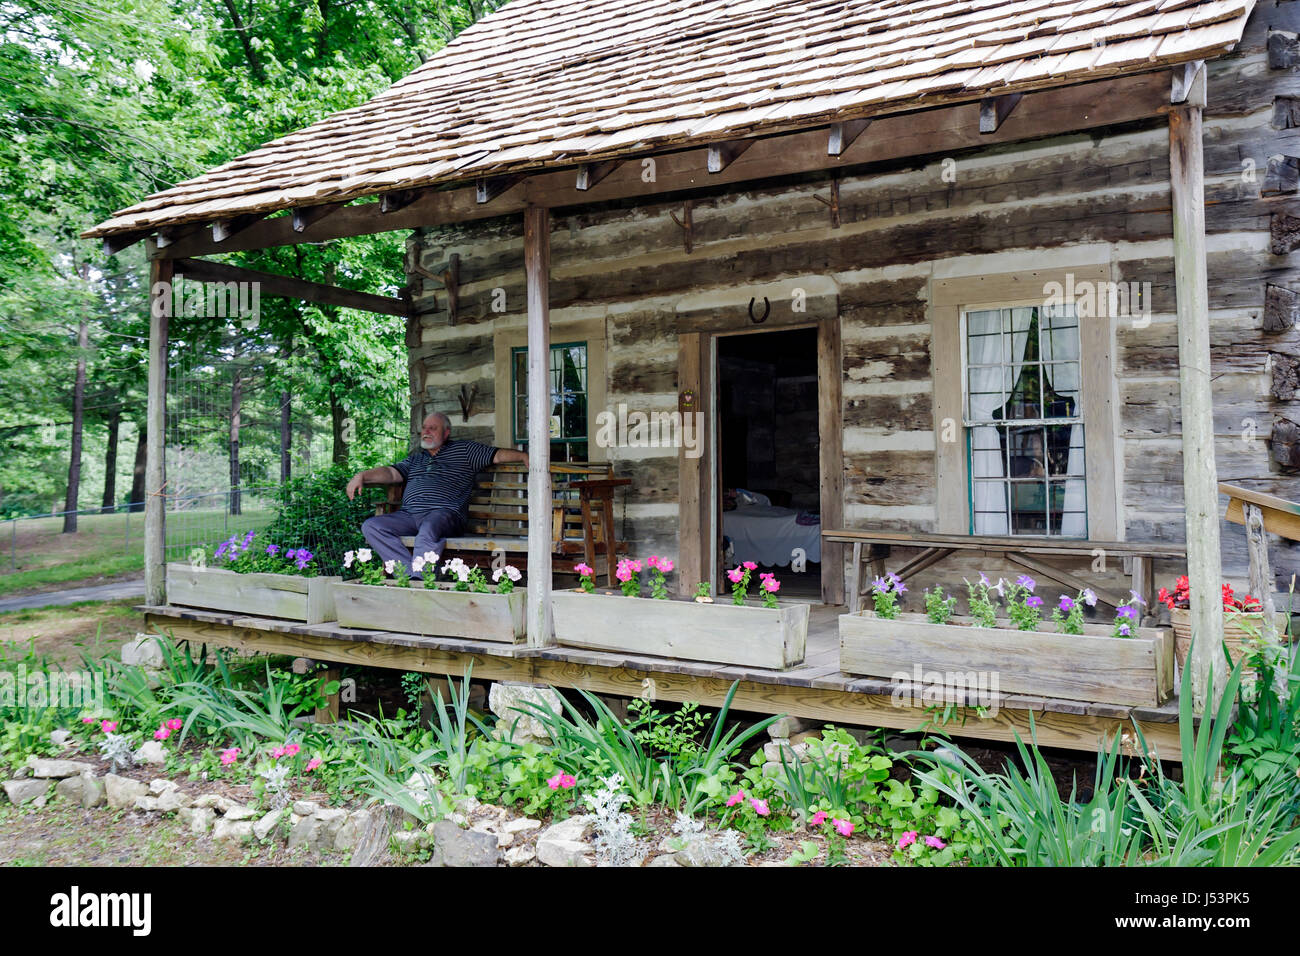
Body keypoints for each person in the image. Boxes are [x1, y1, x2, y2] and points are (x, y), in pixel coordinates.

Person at [346, 412, 529, 577]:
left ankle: (419, 578)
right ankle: (408, 575)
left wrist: (523, 456)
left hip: (445, 515)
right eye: (424, 428)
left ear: (446, 432)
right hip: (410, 515)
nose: (426, 431)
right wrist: (362, 475)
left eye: (432, 428)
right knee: (372, 526)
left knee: (428, 529)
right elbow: (391, 473)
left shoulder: (464, 451)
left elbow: (496, 455)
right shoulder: (417, 459)